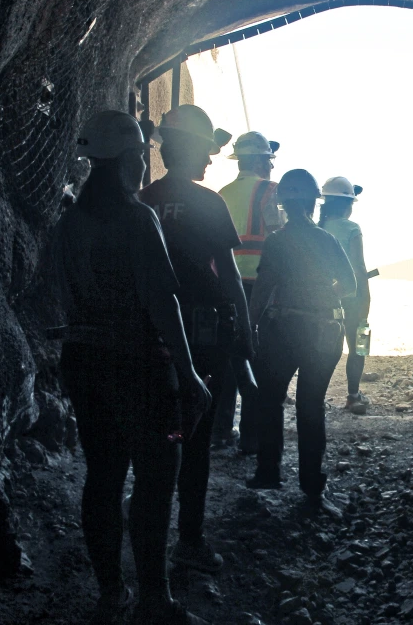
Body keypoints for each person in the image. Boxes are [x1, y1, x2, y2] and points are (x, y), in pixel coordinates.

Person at [51, 110, 212, 625]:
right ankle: (154, 599)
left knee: (102, 475)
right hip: (139, 365)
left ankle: (109, 592)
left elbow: (56, 295)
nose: (144, 164)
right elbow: (163, 302)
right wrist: (187, 374)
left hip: (85, 362)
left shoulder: (70, 222)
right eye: (140, 155)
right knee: (156, 476)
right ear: (126, 159)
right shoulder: (137, 219)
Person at [138, 104, 254, 576]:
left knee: (155, 436)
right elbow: (227, 275)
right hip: (203, 337)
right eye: (206, 152)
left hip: (148, 334)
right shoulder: (209, 204)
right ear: (188, 151)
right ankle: (189, 539)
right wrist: (245, 335)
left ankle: (149, 532)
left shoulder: (141, 201)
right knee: (197, 439)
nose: (209, 162)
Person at [246, 170, 357, 518]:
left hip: (282, 329)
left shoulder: (277, 241)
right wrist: (325, 295)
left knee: (270, 398)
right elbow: (351, 285)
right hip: (324, 332)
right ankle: (312, 487)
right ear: (313, 202)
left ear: (282, 205)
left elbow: (263, 288)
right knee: (311, 406)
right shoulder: (327, 240)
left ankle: (268, 472)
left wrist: (248, 325)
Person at [216, 131, 282, 452]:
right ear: (258, 160)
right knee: (259, 359)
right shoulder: (271, 192)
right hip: (260, 288)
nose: (271, 166)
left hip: (226, 287)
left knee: (227, 360)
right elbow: (282, 241)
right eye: (269, 159)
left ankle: (220, 431)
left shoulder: (221, 194)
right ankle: (252, 437)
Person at [319, 176, 372, 415]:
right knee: (359, 344)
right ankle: (353, 395)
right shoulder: (352, 228)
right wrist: (366, 299)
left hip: (325, 299)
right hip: (352, 297)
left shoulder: (318, 228)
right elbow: (358, 268)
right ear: (347, 204)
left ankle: (315, 396)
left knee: (328, 349)